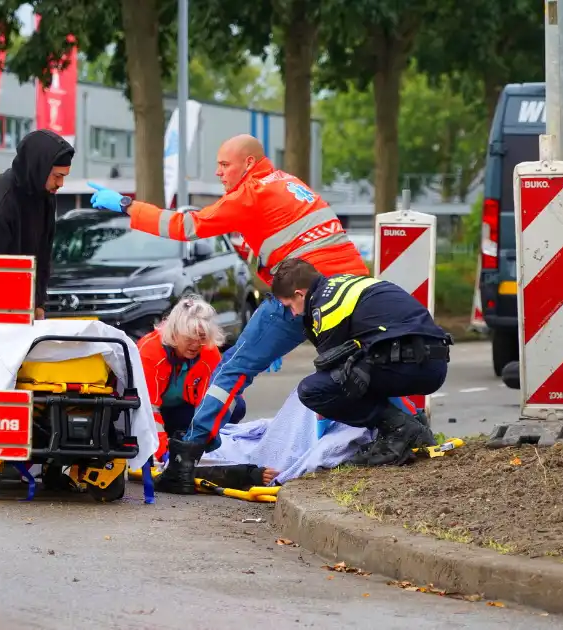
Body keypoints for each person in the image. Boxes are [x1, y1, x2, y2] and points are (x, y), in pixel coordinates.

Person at [88, 134, 385, 489]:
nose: (218, 173)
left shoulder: (252, 193)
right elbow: (280, 253)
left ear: (248, 164)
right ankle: (403, 428)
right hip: (349, 290)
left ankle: (185, 461)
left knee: (232, 370)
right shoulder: (290, 184)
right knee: (360, 366)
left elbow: (187, 226)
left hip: (302, 293)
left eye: (224, 165)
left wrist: (124, 205)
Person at [271, 259, 451, 467]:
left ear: (300, 294)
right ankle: (413, 427)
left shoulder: (326, 306)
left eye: (290, 305)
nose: (293, 313)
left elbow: (331, 371)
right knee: (360, 367)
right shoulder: (344, 285)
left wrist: (323, 420)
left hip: (409, 364)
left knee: (314, 390)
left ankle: (399, 430)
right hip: (432, 362)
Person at [137, 295, 276, 493]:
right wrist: (163, 453)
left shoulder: (209, 352)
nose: (196, 345)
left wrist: (202, 444)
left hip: (184, 410)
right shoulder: (149, 351)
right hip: (150, 413)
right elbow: (148, 411)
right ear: (175, 334)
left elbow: (212, 400)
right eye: (190, 338)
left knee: (235, 404)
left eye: (202, 338)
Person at [0, 129, 75, 319]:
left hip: (17, 308)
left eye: (64, 176)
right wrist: (19, 312)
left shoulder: (44, 196)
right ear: (38, 169)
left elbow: (42, 255)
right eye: (57, 176)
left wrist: (39, 303)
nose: (61, 184)